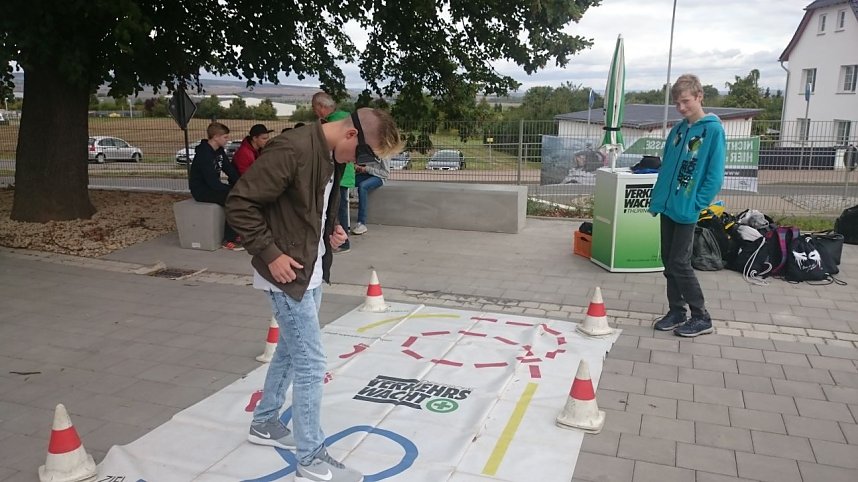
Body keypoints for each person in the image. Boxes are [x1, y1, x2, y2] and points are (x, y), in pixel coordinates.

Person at [225, 108, 401, 482]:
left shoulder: (329, 155)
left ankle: (265, 421)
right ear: (351, 135)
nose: (362, 164)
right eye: (365, 156)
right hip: (288, 275)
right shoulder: (292, 149)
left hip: (312, 268)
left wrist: (332, 230)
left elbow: (311, 208)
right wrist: (271, 256)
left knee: (291, 351)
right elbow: (240, 203)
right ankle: (310, 456)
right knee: (311, 363)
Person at [648, 74, 726, 337]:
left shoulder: (713, 130)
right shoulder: (679, 130)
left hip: (686, 208)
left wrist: (697, 203)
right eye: (677, 103)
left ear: (699, 96)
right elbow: (667, 163)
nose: (681, 108)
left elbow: (715, 175)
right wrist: (660, 196)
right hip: (668, 205)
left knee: (681, 263)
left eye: (686, 101)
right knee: (668, 262)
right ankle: (677, 311)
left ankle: (702, 316)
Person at [188, 122, 243, 250]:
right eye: (225, 137)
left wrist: (241, 184)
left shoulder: (219, 151)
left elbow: (229, 169)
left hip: (213, 187)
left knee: (238, 195)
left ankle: (237, 232)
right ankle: (229, 239)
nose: (227, 140)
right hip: (202, 190)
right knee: (233, 199)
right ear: (216, 137)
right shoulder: (204, 155)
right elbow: (212, 182)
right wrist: (231, 190)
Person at [311, 93, 354, 253]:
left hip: (338, 172)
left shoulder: (333, 123)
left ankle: (343, 242)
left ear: (322, 107)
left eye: (315, 108)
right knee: (339, 207)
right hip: (345, 171)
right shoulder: (345, 117)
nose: (315, 112)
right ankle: (339, 240)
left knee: (337, 208)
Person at [350, 154, 389, 235]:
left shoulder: (384, 152)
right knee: (347, 181)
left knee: (363, 186)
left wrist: (367, 169)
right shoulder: (365, 149)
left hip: (379, 177)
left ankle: (361, 223)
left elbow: (385, 174)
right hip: (366, 174)